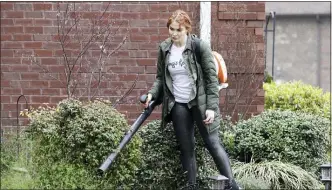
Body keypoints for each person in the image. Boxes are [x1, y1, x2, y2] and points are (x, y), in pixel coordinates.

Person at [142, 9, 240, 190]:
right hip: (179, 103)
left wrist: (211, 107)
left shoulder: (199, 46)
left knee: (212, 143)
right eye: (171, 29)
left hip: (199, 102)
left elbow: (211, 80)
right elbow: (160, 79)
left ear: (186, 29)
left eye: (178, 30)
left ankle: (232, 186)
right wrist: (152, 94)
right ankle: (191, 185)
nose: (173, 33)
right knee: (186, 148)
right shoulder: (165, 49)